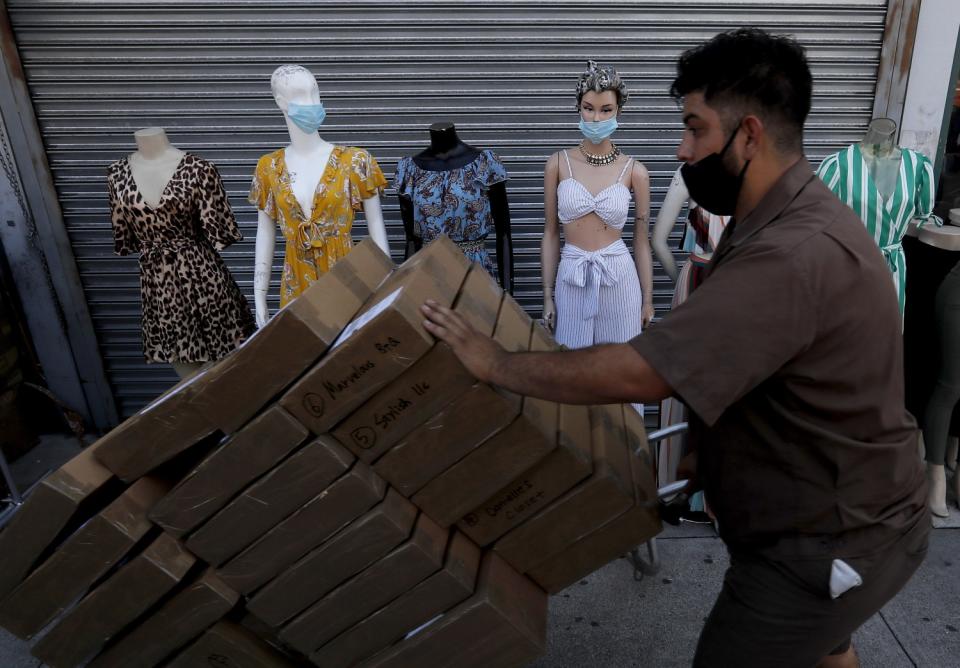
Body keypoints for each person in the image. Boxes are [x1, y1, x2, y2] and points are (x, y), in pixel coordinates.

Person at [422, 28, 928, 668]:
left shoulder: (791, 253)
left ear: (748, 134)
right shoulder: (790, 213)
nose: (682, 148)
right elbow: (760, 365)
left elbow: (642, 370)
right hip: (853, 514)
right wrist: (702, 451)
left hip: (824, 540)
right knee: (828, 646)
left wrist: (494, 361)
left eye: (694, 129)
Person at [541, 61, 654, 355]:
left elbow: (641, 241)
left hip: (619, 278)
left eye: (606, 110)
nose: (595, 118)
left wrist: (648, 298)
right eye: (589, 108)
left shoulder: (635, 171)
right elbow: (551, 233)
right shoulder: (558, 164)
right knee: (571, 373)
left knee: (622, 373)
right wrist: (547, 296)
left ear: (619, 111)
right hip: (572, 277)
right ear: (578, 107)